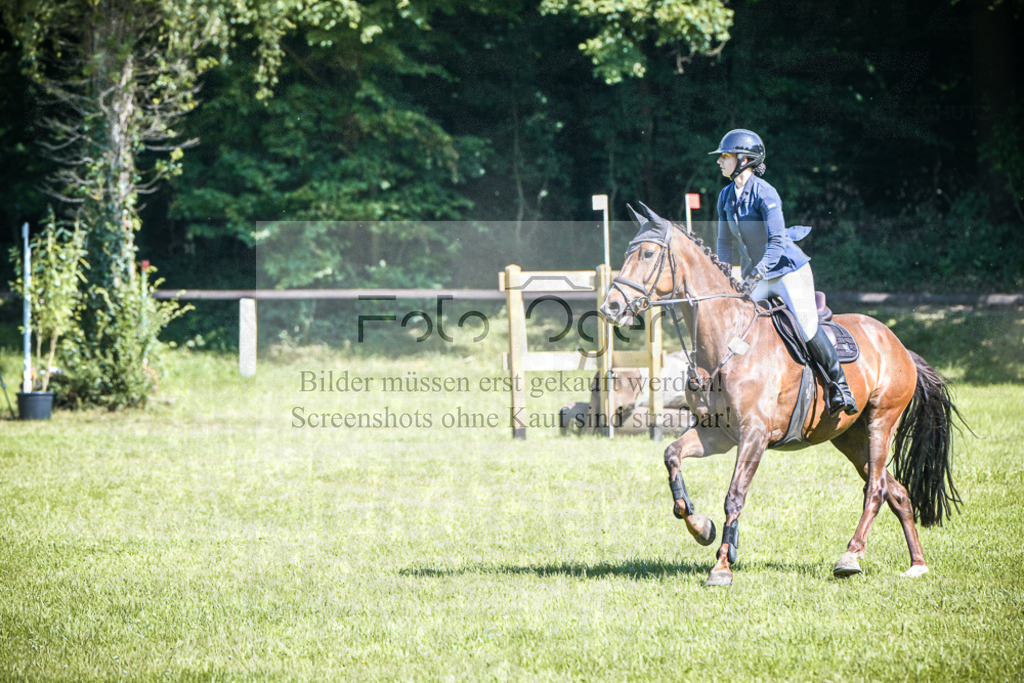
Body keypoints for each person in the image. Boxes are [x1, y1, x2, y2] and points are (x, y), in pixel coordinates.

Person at [710, 128, 857, 415]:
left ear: (744, 159)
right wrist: (724, 274)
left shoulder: (766, 193)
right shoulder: (725, 196)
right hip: (757, 274)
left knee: (806, 325)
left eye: (724, 156)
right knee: (734, 322)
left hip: (787, 271)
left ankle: (839, 386)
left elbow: (777, 242)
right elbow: (723, 242)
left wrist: (757, 272)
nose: (719, 161)